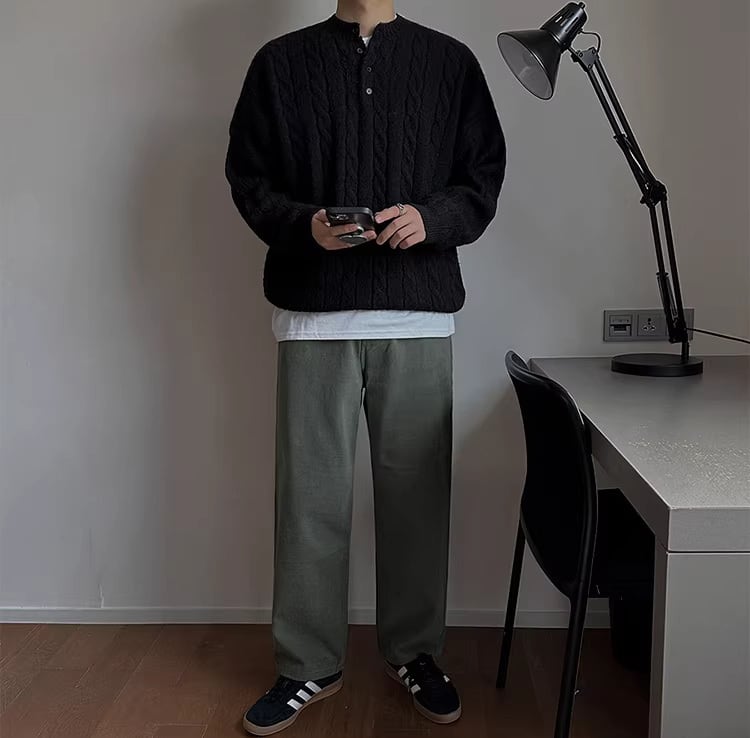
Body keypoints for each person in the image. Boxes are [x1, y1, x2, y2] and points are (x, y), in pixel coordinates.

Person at [226, 0, 506, 733]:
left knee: (417, 501)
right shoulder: (280, 63)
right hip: (313, 316)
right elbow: (249, 179)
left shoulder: (449, 62)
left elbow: (482, 176)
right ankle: (306, 664)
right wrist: (306, 226)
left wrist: (432, 219)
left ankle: (415, 653)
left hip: (418, 313)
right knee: (309, 501)